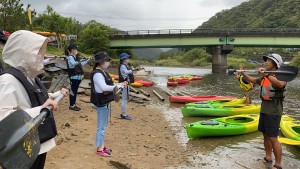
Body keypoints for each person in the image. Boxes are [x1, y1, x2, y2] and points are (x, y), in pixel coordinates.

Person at [0, 30, 69, 169]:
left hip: (37, 142)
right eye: (36, 52)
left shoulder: (29, 77)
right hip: (22, 148)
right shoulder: (8, 80)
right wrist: (40, 110)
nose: (41, 56)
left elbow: (34, 97)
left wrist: (54, 95)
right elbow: (3, 118)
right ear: (22, 53)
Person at [240, 53, 285, 169]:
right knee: (265, 135)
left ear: (275, 63)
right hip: (264, 110)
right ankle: (268, 157)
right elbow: (253, 80)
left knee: (273, 138)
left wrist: (267, 74)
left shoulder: (282, 76)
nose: (266, 63)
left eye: (269, 61)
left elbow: (280, 85)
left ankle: (278, 165)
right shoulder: (265, 76)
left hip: (274, 111)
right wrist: (243, 73)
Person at [90, 51, 127, 157]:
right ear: (101, 62)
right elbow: (104, 88)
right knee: (101, 126)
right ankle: (99, 149)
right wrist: (119, 86)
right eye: (107, 60)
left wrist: (120, 84)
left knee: (104, 125)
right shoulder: (97, 73)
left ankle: (102, 145)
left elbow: (109, 85)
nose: (108, 62)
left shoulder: (103, 72)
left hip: (105, 102)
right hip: (101, 102)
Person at [66, 44, 90, 111]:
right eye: (76, 49)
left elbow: (80, 64)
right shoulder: (70, 57)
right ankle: (72, 105)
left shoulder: (74, 58)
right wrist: (80, 60)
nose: (77, 50)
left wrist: (87, 60)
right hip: (74, 77)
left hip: (77, 77)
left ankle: (73, 104)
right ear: (72, 50)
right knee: (73, 91)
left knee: (75, 91)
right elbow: (74, 63)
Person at [118, 52, 141, 120]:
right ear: (124, 59)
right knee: (124, 99)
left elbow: (130, 72)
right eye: (127, 58)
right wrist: (135, 69)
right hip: (124, 84)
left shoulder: (125, 65)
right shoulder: (122, 66)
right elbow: (126, 72)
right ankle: (123, 114)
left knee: (125, 99)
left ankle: (123, 113)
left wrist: (136, 69)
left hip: (126, 83)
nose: (128, 59)